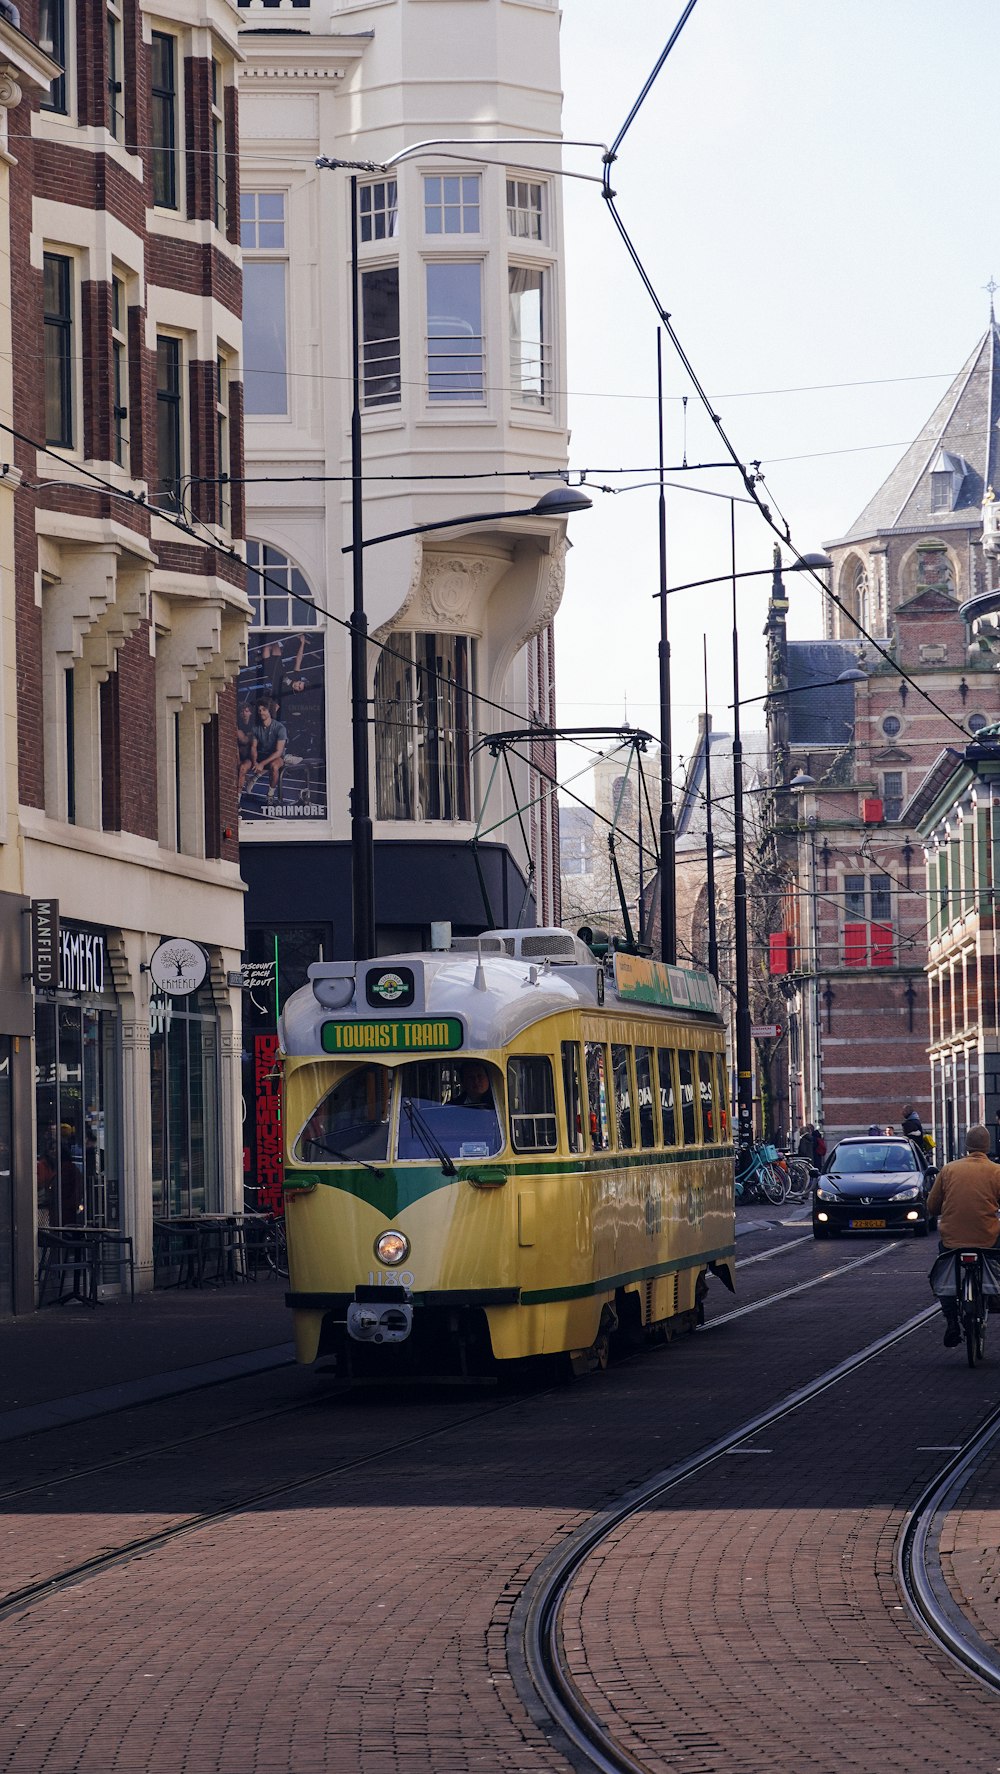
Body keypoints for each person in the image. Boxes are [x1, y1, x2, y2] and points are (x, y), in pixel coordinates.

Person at [926, 1125, 1000, 1346]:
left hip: (953, 1240)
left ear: (966, 1146)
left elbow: (932, 1206)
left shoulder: (948, 1170)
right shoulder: (996, 1171)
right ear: (987, 1146)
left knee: (945, 1274)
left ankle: (951, 1320)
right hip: (987, 1238)